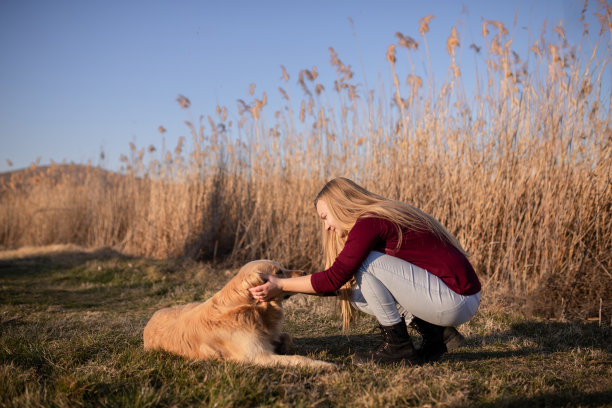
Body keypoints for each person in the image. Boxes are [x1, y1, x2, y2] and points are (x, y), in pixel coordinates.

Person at [248, 177, 481, 365]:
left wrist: (280, 284)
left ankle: (398, 347)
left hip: (454, 299)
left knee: (366, 263)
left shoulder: (369, 223)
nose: (326, 226)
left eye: (325, 216)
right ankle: (437, 336)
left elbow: (334, 279)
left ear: (340, 205)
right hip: (454, 297)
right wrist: (291, 288)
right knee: (358, 296)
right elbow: (343, 284)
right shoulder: (378, 217)